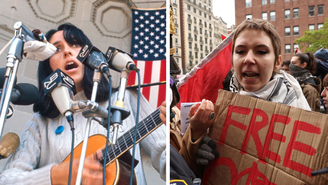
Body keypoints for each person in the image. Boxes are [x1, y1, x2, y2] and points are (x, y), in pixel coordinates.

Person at [0, 23, 166, 185]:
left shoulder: (126, 98)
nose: (67, 52)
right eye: (57, 49)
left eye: (76, 44)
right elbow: (7, 179)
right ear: (48, 66)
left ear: (90, 55)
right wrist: (55, 175)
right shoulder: (39, 122)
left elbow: (165, 153)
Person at [179, 18, 311, 178]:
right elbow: (184, 169)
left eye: (261, 51)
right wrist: (196, 138)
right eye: (240, 51)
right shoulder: (216, 108)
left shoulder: (300, 110)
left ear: (277, 62)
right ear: (233, 61)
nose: (248, 59)